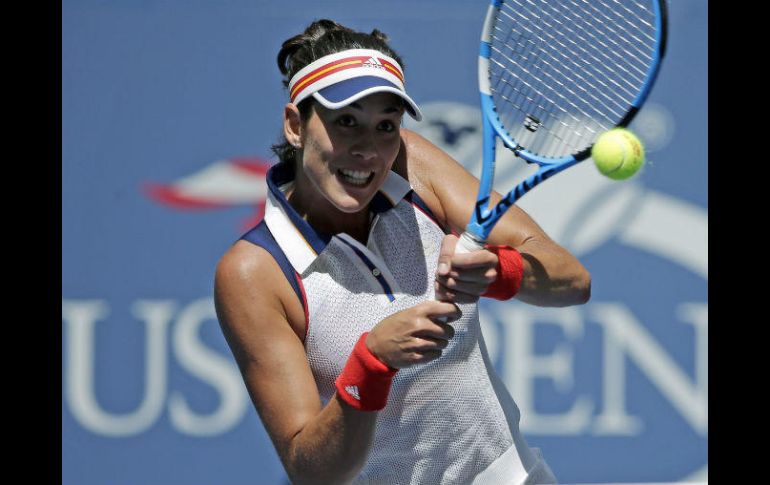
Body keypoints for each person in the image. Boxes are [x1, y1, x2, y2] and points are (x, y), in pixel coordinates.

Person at [214, 19, 591, 485]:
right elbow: (312, 472)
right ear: (296, 125)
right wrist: (371, 363)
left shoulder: (412, 164)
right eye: (345, 121)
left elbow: (572, 281)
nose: (368, 150)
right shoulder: (255, 271)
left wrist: (497, 272)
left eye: (385, 125)